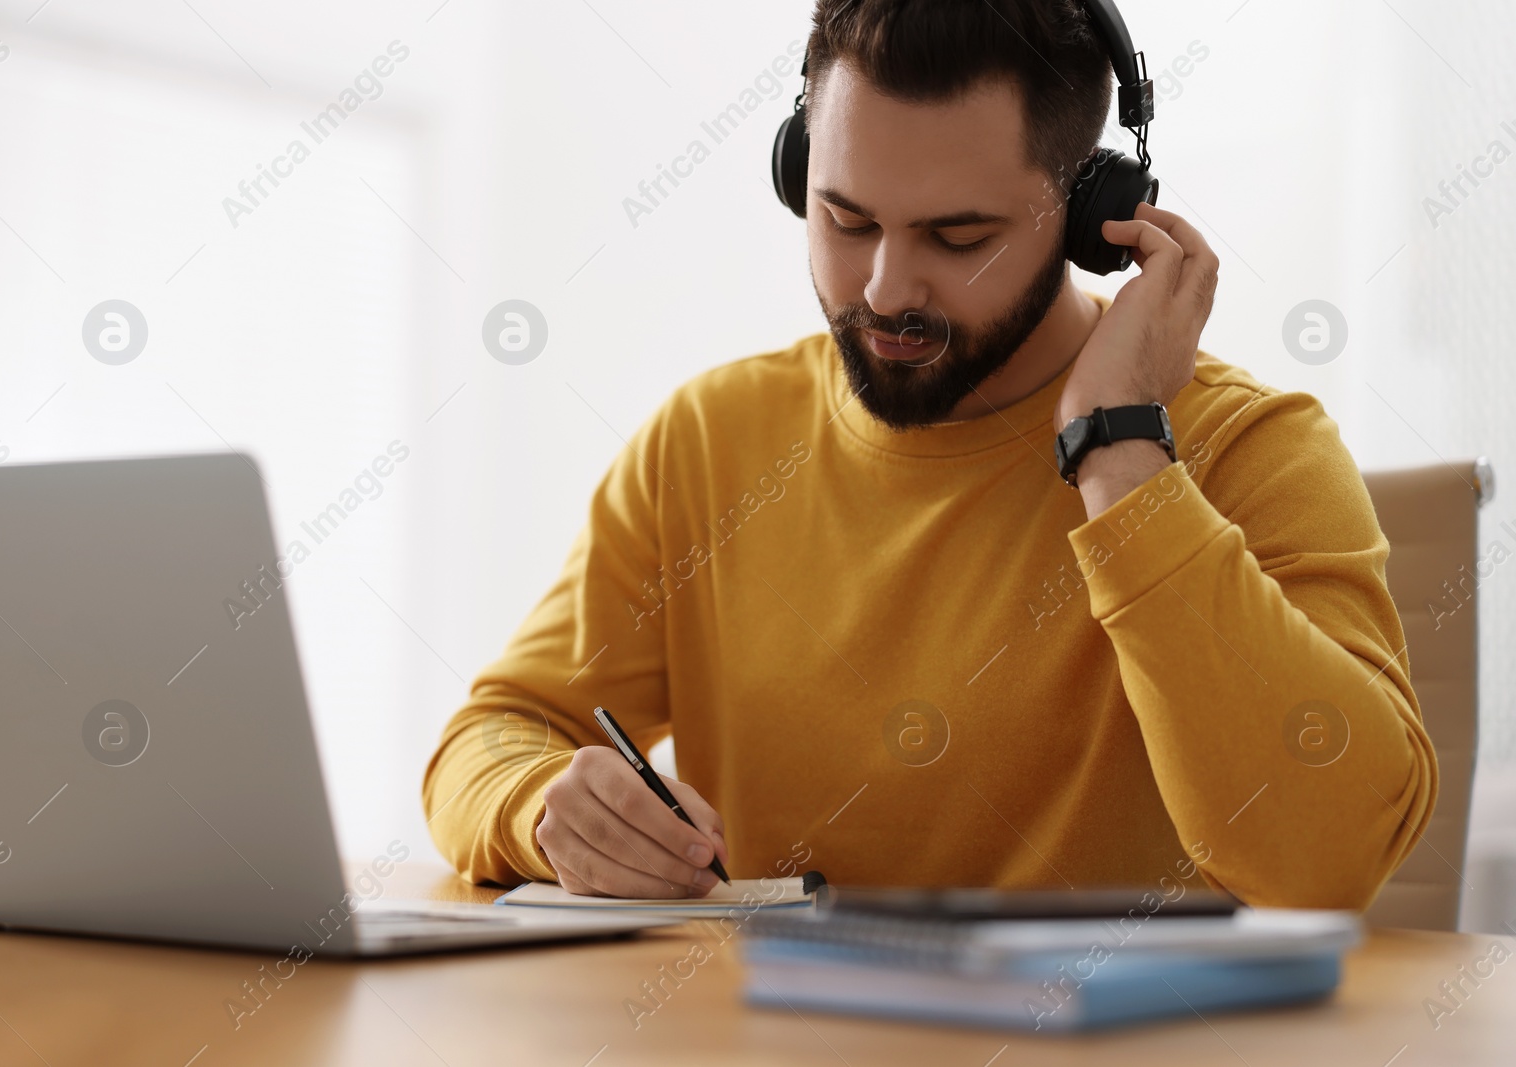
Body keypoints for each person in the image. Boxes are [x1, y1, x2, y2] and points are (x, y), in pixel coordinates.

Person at [422, 0, 1437, 906]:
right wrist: (540, 805)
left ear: (1096, 219)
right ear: (795, 170)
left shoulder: (1249, 447)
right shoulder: (708, 441)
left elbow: (1330, 857)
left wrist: (1120, 450)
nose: (885, 288)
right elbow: (491, 733)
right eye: (845, 219)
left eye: (959, 238)